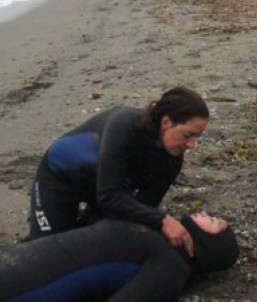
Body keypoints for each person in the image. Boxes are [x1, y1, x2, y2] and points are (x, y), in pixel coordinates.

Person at [29, 86, 210, 256]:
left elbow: (142, 207)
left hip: (100, 184)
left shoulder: (172, 159)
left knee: (93, 248)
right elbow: (109, 195)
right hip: (60, 176)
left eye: (197, 137)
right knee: (45, 253)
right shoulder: (125, 125)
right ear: (166, 122)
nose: (192, 145)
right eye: (188, 135)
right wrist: (163, 219)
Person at [0, 211, 238, 302]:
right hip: (24, 256)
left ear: (212, 243)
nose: (206, 213)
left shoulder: (173, 268)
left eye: (214, 221)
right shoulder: (164, 231)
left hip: (27, 282)